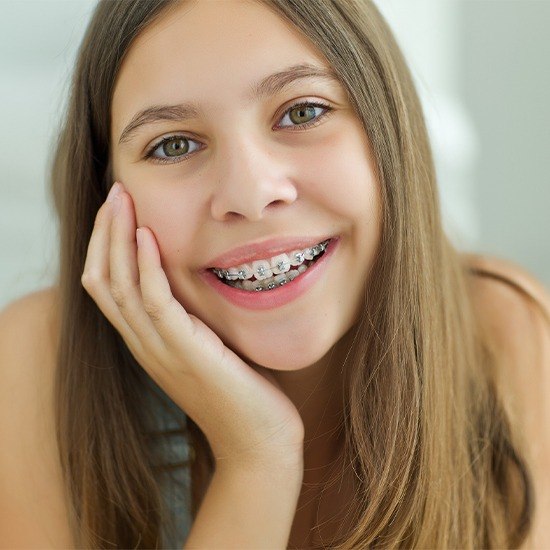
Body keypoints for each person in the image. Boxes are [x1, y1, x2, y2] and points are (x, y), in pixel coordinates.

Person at [1, 0, 549, 548]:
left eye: (303, 112)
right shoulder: (36, 364)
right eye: (173, 145)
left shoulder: (505, 334)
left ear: (387, 128)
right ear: (106, 198)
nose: (251, 194)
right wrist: (256, 458)